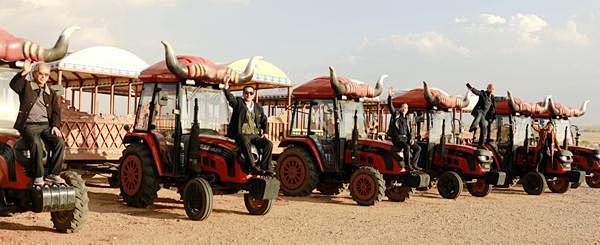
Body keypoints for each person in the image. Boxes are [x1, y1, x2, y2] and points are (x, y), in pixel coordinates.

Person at [10, 60, 65, 186]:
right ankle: (38, 176)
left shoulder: (50, 92)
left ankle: (54, 174)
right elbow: (14, 85)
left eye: (46, 75)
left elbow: (56, 111)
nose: (43, 77)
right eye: (41, 74)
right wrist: (24, 71)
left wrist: (55, 126)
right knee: (36, 143)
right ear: (35, 73)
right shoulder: (26, 86)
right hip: (29, 125)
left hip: (46, 126)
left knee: (59, 143)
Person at [223, 82, 274, 176]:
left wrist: (265, 132)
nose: (248, 95)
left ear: (253, 95)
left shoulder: (258, 107)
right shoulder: (239, 103)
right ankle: (252, 167)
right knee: (245, 140)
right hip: (241, 133)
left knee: (269, 144)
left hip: (254, 134)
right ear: (243, 94)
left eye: (251, 93)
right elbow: (231, 99)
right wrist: (226, 88)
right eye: (246, 93)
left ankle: (265, 168)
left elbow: (264, 120)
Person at [387, 88, 421, 171]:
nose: (406, 108)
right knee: (407, 147)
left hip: (406, 138)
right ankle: (407, 165)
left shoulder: (408, 119)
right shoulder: (396, 115)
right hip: (398, 138)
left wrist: (412, 139)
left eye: (407, 107)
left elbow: (410, 131)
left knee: (418, 148)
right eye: (404, 107)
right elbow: (391, 107)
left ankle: (414, 164)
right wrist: (390, 96)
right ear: (401, 108)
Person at [467, 82, 495, 147]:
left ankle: (481, 144)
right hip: (477, 111)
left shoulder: (492, 98)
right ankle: (472, 127)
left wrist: (505, 98)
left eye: (492, 89)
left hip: (483, 115)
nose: (491, 90)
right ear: (487, 89)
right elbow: (477, 92)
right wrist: (471, 88)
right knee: (479, 114)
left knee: (484, 127)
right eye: (490, 88)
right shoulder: (483, 93)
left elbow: (499, 98)